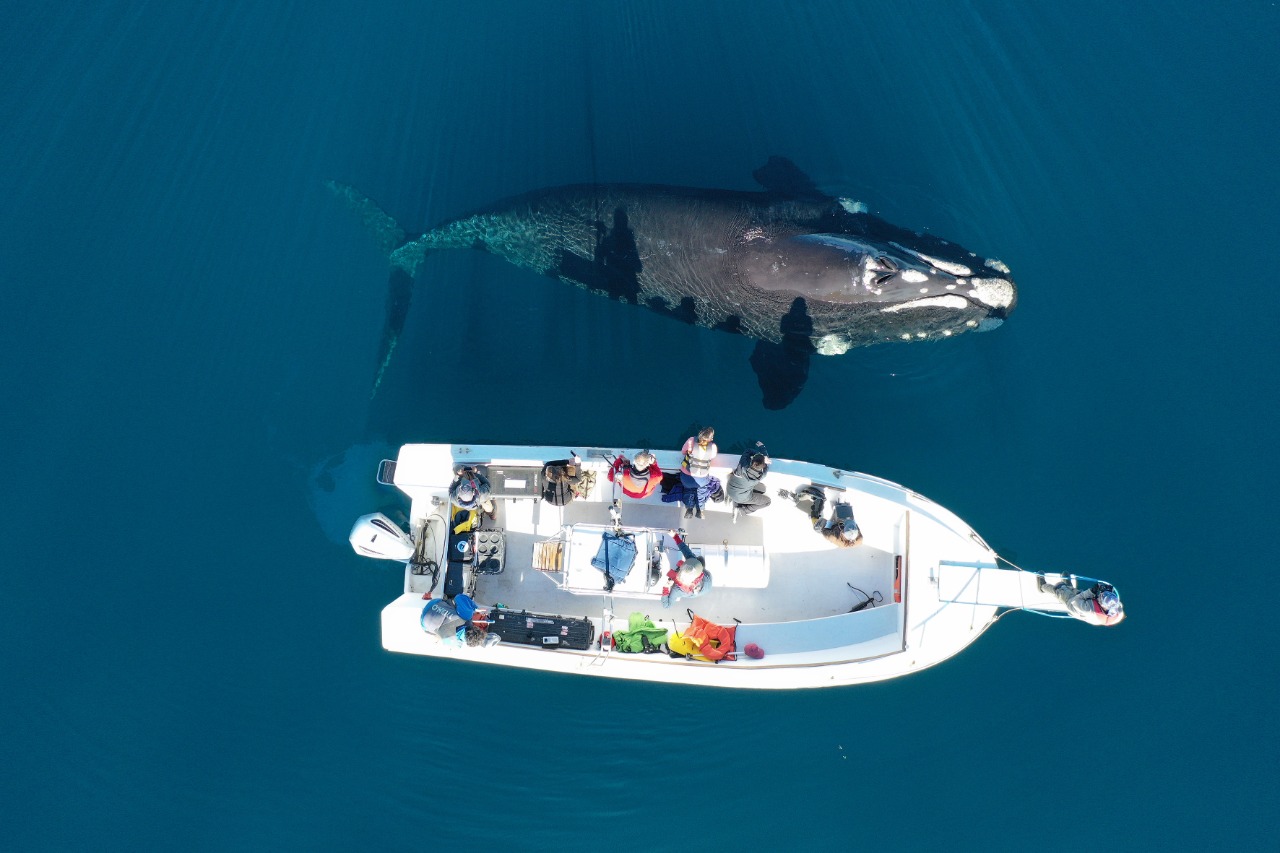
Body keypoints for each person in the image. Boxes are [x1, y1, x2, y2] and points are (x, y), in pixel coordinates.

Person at [1037, 576, 1126, 626]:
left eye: (1103, 596)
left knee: (1060, 589)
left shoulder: (1089, 611)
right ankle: (1070, 587)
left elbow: (1075, 600)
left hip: (1074, 605)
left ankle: (1042, 587)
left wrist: (1091, 591)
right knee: (1078, 592)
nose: (1103, 594)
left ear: (1103, 605)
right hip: (1086, 603)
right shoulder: (1117, 609)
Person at [660, 528, 712, 608]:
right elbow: (684, 549)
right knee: (697, 558)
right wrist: (675, 536)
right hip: (707, 581)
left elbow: (667, 605)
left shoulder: (677, 590)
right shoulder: (693, 562)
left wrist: (666, 587)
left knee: (698, 559)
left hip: (699, 588)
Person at [679, 427, 718, 519]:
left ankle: (689, 508)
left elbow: (683, 452)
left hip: (687, 478)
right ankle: (700, 510)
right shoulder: (712, 447)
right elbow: (712, 457)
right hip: (701, 479)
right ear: (711, 439)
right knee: (701, 491)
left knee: (688, 490)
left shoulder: (691, 440)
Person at [727, 443, 771, 515]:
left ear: (752, 461)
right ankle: (742, 511)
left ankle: (736, 501)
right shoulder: (762, 475)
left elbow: (748, 451)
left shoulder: (743, 465)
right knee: (767, 501)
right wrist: (763, 451)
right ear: (763, 466)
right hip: (741, 497)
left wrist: (760, 452)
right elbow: (767, 461)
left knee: (763, 489)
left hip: (730, 489)